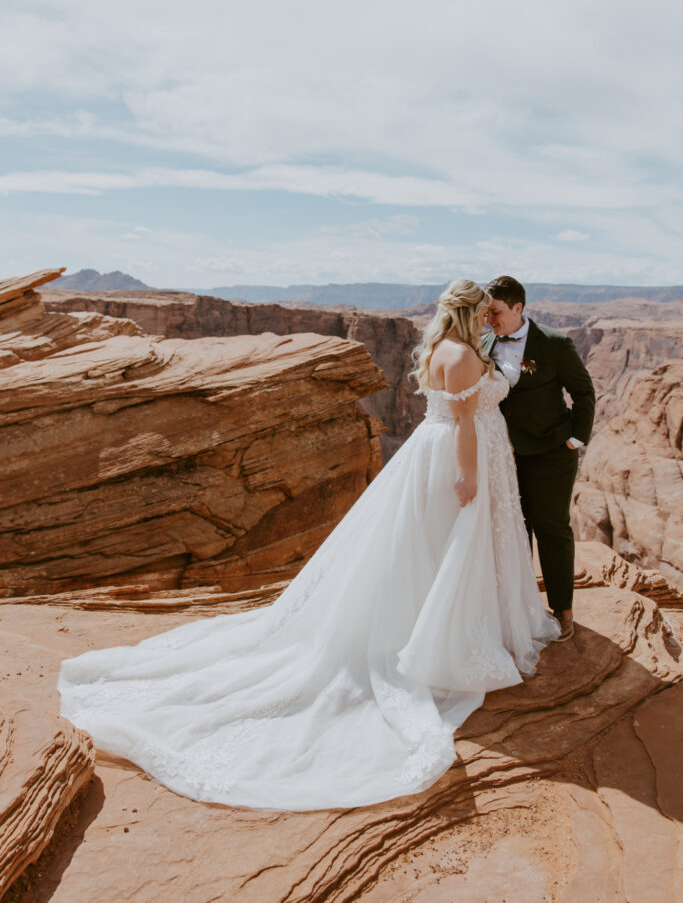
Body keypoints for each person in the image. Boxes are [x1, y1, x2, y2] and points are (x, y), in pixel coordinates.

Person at [59, 279, 559, 812]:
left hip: (437, 454)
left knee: (428, 552)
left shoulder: (447, 347)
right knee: (446, 549)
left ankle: (435, 625)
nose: (489, 319)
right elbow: (464, 422)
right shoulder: (460, 355)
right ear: (468, 313)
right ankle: (435, 639)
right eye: (484, 311)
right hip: (455, 460)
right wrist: (470, 477)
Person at [483, 276, 596, 642]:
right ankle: (525, 610)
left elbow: (583, 391)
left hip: (551, 453)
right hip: (504, 455)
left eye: (496, 312)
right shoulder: (484, 343)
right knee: (515, 531)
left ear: (518, 308)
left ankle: (563, 610)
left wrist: (575, 439)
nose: (489, 320)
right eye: (486, 313)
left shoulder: (554, 343)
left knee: (551, 529)